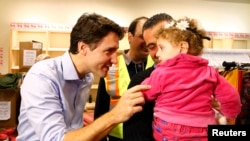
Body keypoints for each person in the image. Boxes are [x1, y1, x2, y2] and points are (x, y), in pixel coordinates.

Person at [16, 13, 151, 141]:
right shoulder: (42, 77)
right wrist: (115, 115)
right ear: (83, 48)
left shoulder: (87, 78)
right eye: (109, 51)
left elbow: (74, 128)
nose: (115, 60)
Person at [141, 17, 242, 141]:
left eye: (162, 48)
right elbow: (231, 97)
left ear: (182, 47)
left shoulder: (161, 72)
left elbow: (145, 92)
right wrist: (230, 113)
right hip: (202, 131)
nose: (157, 54)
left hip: (168, 130)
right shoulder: (210, 72)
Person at [94, 16, 154, 141]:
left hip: (150, 136)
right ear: (130, 37)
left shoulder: (157, 66)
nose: (147, 42)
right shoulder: (111, 66)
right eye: (142, 36)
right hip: (118, 137)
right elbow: (101, 110)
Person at [124, 13, 174, 141]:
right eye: (152, 47)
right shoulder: (141, 82)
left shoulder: (204, 76)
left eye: (164, 43)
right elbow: (134, 135)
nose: (158, 52)